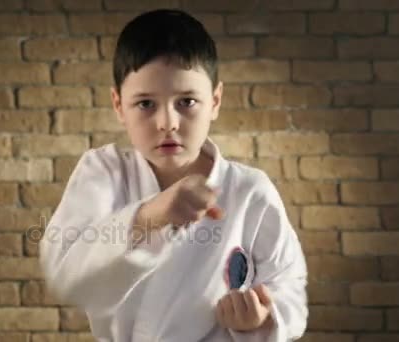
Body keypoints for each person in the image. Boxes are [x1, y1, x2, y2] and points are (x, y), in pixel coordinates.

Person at [39, 9, 308, 342]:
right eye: (146, 104)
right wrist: (149, 215)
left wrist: (264, 316)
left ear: (215, 101)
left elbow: (290, 286)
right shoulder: (104, 172)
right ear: (118, 105)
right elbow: (66, 275)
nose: (167, 122)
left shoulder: (249, 190)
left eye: (187, 101)